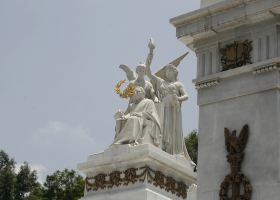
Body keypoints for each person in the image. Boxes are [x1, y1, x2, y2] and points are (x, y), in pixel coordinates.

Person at [146, 63, 191, 160]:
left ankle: (174, 151)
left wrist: (178, 98)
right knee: (164, 128)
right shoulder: (161, 82)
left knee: (172, 129)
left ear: (173, 72)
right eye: (166, 71)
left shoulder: (179, 84)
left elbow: (186, 96)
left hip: (173, 109)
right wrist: (150, 55)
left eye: (168, 71)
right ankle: (164, 148)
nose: (166, 73)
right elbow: (149, 73)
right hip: (163, 109)